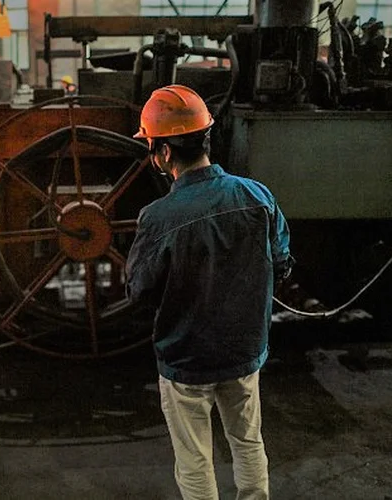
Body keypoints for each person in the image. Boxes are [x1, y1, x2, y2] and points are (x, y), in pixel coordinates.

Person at [126, 84, 294, 500]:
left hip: (187, 358)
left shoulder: (158, 217)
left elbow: (139, 293)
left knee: (194, 458)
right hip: (244, 350)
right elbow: (283, 263)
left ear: (164, 153)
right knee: (248, 441)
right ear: (206, 138)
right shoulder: (257, 197)